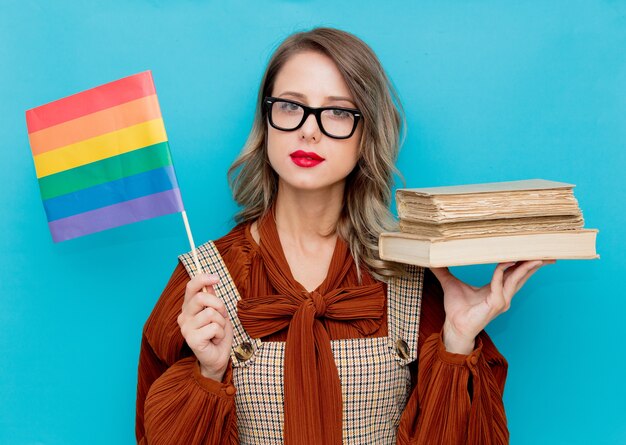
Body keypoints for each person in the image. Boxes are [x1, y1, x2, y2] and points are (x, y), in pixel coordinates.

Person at [135, 27, 553, 445]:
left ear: (365, 136)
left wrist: (457, 339)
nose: (309, 131)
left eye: (337, 112)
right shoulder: (204, 281)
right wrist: (208, 375)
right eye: (290, 106)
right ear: (267, 122)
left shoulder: (409, 276)